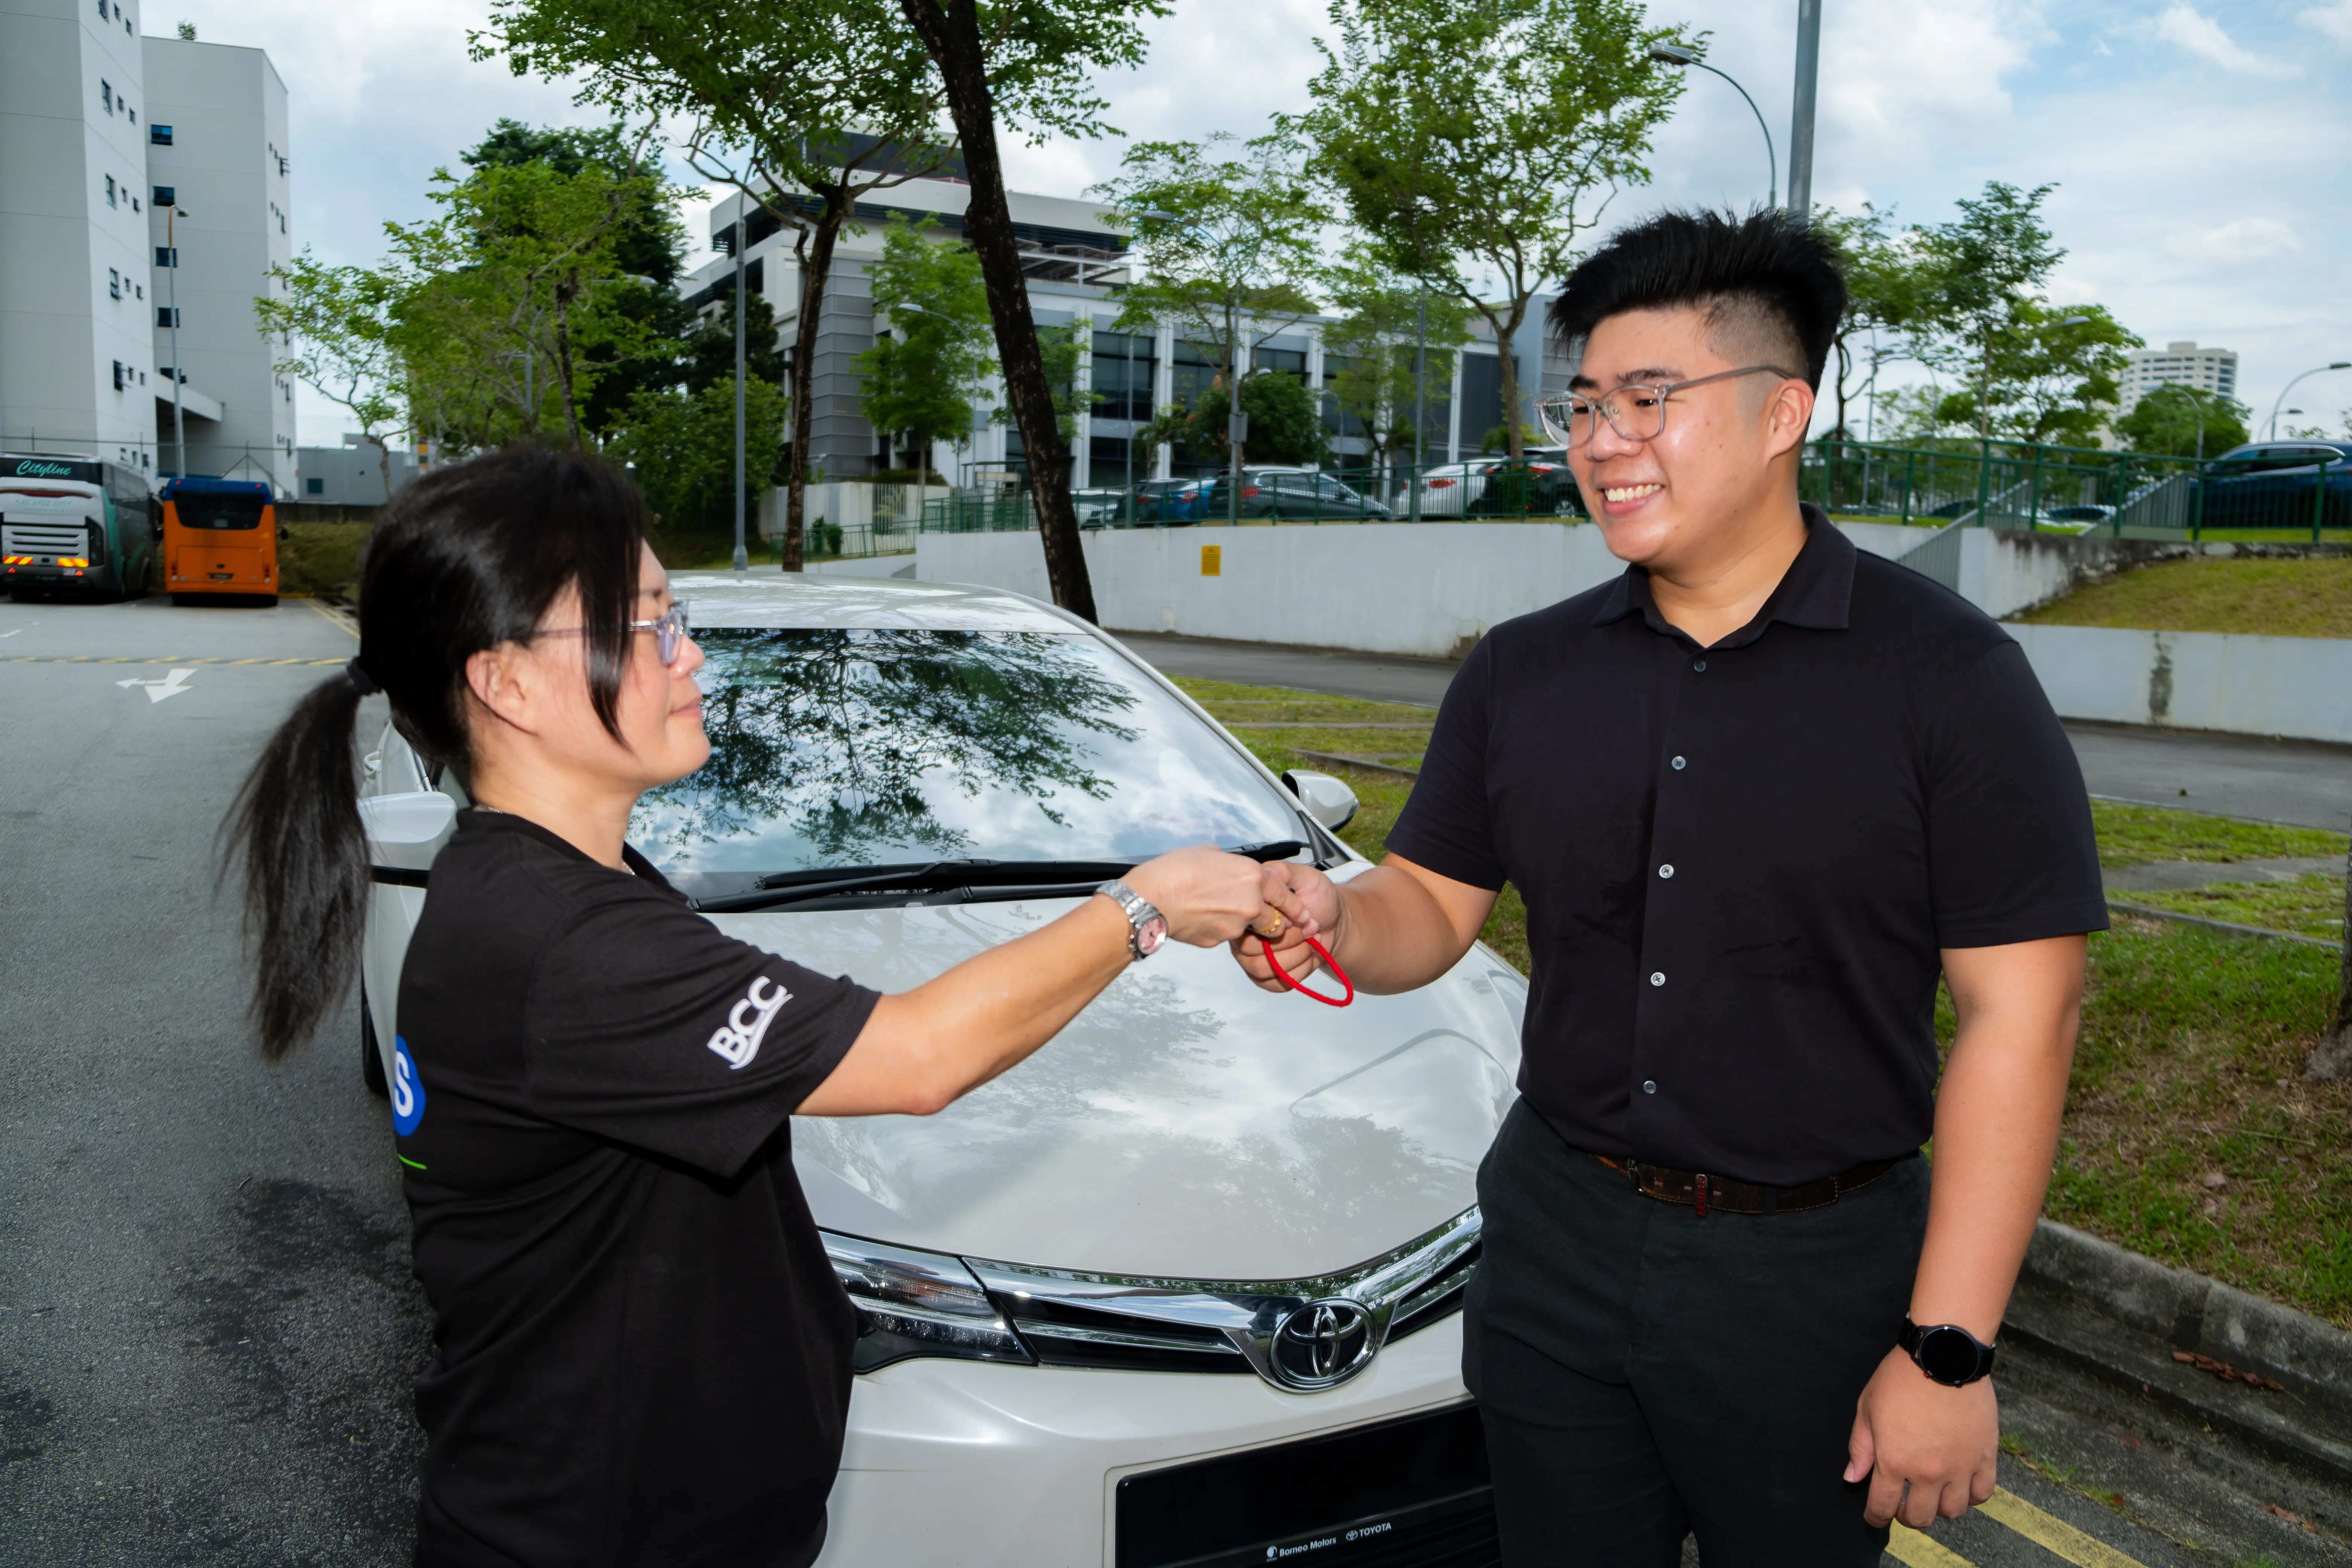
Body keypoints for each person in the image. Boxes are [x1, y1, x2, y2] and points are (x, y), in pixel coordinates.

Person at [229, 447, 1301, 1568]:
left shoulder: (558, 887)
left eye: (676, 617)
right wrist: (1144, 904)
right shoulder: (559, 942)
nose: (690, 654)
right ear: (507, 684)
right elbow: (918, 1056)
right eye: (648, 626)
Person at [1237, 210, 2105, 1565]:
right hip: (1555, 1240)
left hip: (1809, 1277)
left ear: (1783, 415)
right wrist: (1337, 915)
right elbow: (1430, 908)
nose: (1602, 442)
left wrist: (1946, 1350)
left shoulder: (1950, 678)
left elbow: (2025, 1017)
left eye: (1650, 399)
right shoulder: (1521, 670)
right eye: (1585, 405)